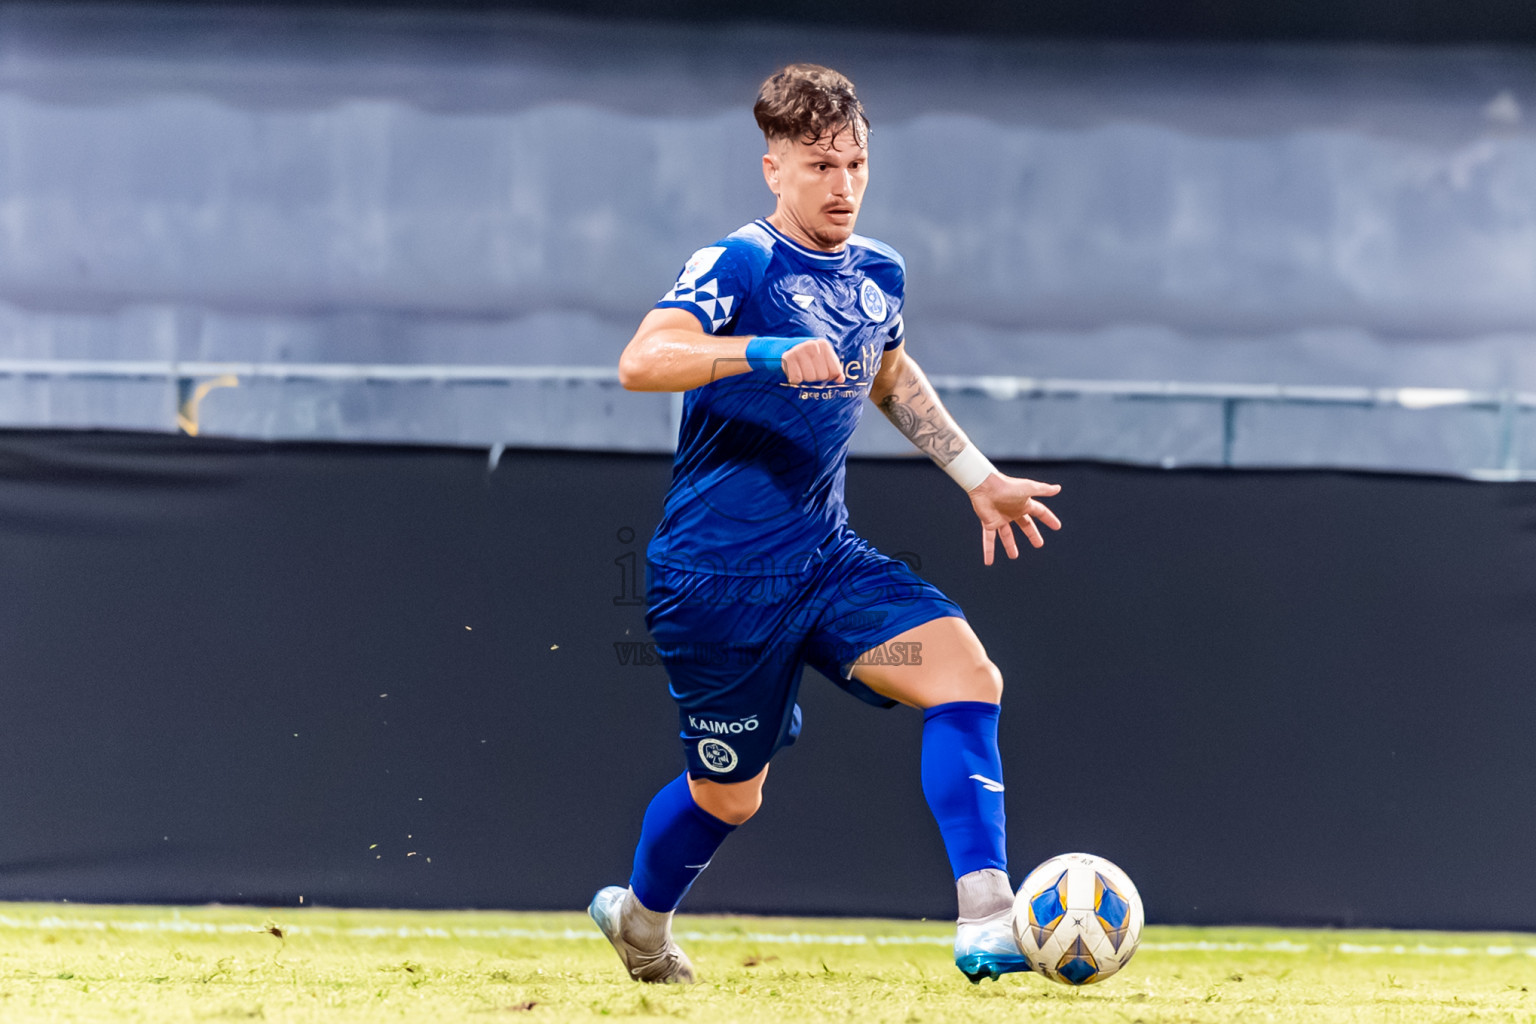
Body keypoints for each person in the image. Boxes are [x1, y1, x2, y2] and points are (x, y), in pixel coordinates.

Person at [589, 63, 1062, 985]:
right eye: (819, 166)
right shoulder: (742, 262)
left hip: (826, 561)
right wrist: (763, 352)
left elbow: (887, 373)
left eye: (856, 164)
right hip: (718, 583)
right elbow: (642, 361)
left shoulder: (878, 270)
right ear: (774, 169)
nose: (842, 185)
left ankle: (987, 917)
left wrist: (978, 476)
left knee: (966, 674)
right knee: (732, 797)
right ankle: (640, 921)